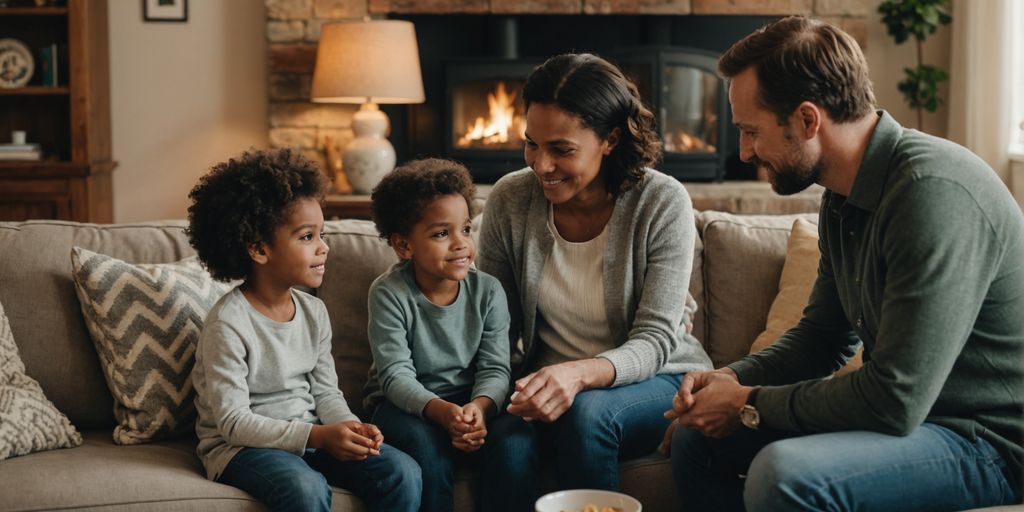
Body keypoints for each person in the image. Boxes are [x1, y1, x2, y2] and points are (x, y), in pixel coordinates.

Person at [664, 16, 1024, 512]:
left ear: (808, 120)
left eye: (751, 131)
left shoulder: (932, 194)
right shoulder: (841, 197)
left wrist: (748, 404)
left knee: (785, 476)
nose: (744, 151)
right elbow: (822, 337)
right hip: (923, 421)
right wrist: (730, 379)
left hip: (991, 440)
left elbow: (895, 400)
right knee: (697, 441)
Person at [477, 52, 714, 491]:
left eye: (561, 149)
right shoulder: (510, 199)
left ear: (610, 139)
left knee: (588, 416)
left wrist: (578, 374)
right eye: (532, 142)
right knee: (506, 442)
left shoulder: (661, 202)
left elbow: (656, 339)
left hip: (656, 379)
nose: (540, 164)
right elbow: (495, 327)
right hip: (549, 382)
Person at [186, 148, 421, 512]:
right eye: (307, 237)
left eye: (321, 234)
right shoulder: (228, 323)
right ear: (259, 249)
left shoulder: (314, 312)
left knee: (402, 470)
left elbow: (326, 392)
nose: (324, 247)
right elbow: (232, 422)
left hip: (312, 434)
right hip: (243, 449)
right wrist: (319, 436)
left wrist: (349, 428)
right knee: (304, 487)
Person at [363, 158, 536, 512]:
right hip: (405, 407)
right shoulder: (389, 293)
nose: (460, 244)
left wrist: (481, 408)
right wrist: (443, 413)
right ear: (404, 246)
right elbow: (395, 376)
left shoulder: (488, 291)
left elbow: (495, 368)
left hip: (471, 401)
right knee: (426, 446)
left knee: (517, 440)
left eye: (466, 229)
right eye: (442, 233)